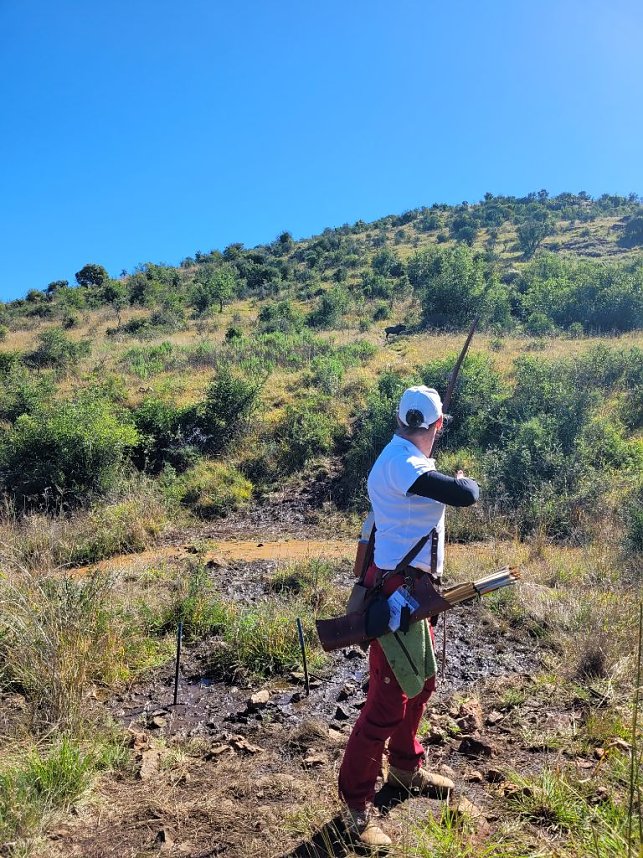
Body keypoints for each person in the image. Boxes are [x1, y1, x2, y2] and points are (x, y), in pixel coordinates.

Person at [339, 385, 480, 850]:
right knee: (385, 703)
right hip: (396, 598)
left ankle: (403, 767)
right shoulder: (403, 463)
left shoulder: (403, 457)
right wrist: (462, 479)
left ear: (400, 421)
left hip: (414, 594)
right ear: (437, 425)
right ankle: (356, 806)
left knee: (420, 684)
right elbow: (466, 495)